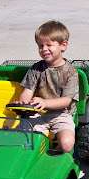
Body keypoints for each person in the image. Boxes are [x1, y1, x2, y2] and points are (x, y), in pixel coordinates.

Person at [15, 20, 79, 153]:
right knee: (22, 137)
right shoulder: (36, 69)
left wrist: (45, 102)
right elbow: (27, 91)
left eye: (49, 45)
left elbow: (66, 101)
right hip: (38, 113)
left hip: (61, 114)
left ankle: (53, 156)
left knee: (67, 144)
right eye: (40, 45)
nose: (44, 49)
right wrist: (24, 102)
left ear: (63, 45)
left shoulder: (71, 73)